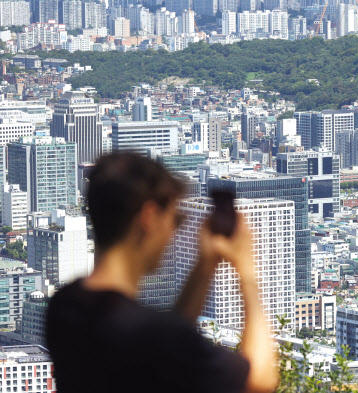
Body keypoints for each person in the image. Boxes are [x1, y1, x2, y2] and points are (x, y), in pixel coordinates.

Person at [46, 152, 278, 393]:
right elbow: (259, 380)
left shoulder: (65, 307)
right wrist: (247, 271)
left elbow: (172, 344)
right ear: (149, 217)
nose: (173, 232)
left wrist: (205, 265)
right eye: (176, 219)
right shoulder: (152, 334)